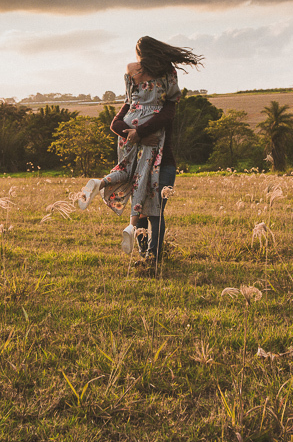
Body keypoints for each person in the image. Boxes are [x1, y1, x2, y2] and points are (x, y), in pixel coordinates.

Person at [82, 36, 203, 272]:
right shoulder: (164, 85)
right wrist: (138, 135)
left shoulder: (134, 80)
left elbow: (117, 123)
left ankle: (146, 255)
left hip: (142, 155)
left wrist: (134, 132)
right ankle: (150, 259)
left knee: (144, 208)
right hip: (160, 158)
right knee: (154, 211)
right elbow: (163, 115)